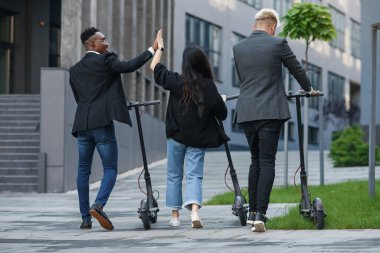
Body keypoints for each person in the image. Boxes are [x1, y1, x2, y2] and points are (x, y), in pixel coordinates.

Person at [232, 9, 319, 233]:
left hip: (246, 111)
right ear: (273, 27)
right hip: (270, 110)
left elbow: (244, 79)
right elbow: (296, 69)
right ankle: (261, 213)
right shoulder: (278, 43)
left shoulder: (238, 47)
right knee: (267, 161)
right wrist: (309, 89)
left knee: (255, 161)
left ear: (254, 26)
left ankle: (252, 213)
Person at [69, 27, 158, 230]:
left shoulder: (74, 70)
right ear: (92, 44)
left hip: (82, 124)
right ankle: (98, 205)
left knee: (83, 170)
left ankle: (85, 218)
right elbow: (128, 67)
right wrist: (151, 50)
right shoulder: (107, 60)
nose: (107, 43)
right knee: (110, 168)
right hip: (102, 125)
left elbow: (80, 98)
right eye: (103, 39)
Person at [149, 30, 227, 228]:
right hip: (198, 139)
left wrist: (160, 47)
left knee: (174, 174)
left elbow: (154, 67)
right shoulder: (209, 86)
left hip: (176, 136)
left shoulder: (177, 81)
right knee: (194, 175)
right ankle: (194, 213)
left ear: (185, 64)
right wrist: (220, 100)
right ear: (203, 63)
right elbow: (222, 114)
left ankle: (175, 217)